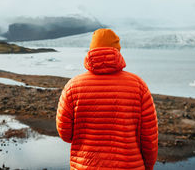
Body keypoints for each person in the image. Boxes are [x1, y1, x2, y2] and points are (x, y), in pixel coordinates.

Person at [56, 28, 158, 169]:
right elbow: (149, 137)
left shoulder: (72, 86)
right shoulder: (138, 85)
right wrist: (148, 165)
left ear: (91, 50)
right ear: (117, 51)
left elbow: (65, 133)